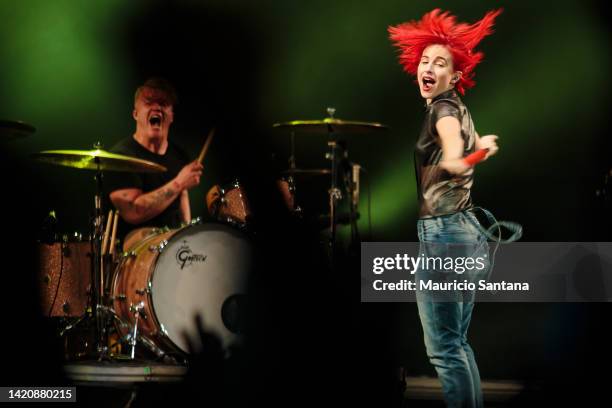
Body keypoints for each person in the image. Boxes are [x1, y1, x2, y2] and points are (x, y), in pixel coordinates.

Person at [389, 9, 502, 408]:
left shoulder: (443, 111)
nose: (429, 67)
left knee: (444, 351)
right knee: (456, 345)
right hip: (465, 233)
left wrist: (470, 156)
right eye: (425, 60)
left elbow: (453, 157)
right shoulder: (455, 108)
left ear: (454, 77)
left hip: (446, 236)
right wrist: (477, 150)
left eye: (440, 63)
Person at [108, 78, 203, 239]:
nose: (157, 107)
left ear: (171, 115)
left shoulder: (179, 156)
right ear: (135, 114)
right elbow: (133, 212)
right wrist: (179, 183)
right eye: (149, 102)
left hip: (173, 248)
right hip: (135, 252)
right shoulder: (122, 156)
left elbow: (183, 201)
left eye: (163, 104)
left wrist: (188, 235)